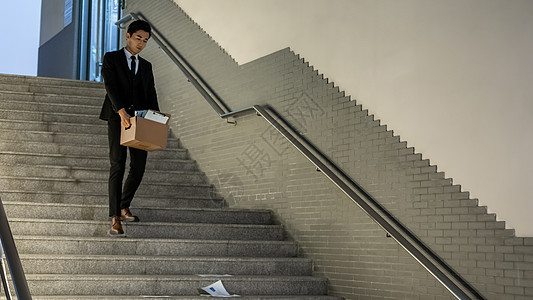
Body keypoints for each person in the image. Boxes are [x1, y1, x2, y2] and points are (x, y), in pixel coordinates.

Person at [99, 20, 159, 236]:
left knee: (139, 166)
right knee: (118, 164)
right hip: (118, 117)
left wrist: (156, 119)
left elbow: (151, 93)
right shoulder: (111, 58)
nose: (141, 43)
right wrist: (121, 111)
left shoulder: (146, 66)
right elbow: (110, 86)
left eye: (145, 40)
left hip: (140, 119)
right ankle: (115, 217)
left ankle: (124, 205)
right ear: (128, 35)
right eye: (138, 38)